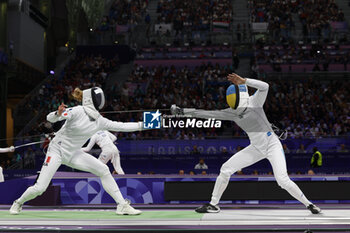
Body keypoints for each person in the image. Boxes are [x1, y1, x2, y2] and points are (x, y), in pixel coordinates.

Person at [171, 73, 321, 214]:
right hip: (256, 148)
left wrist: (245, 81)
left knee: (282, 180)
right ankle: (213, 204)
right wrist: (183, 111)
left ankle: (309, 204)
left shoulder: (254, 101)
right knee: (226, 169)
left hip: (272, 145)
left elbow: (265, 86)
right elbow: (206, 113)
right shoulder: (231, 112)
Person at [10, 87, 147, 215]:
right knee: (40, 188)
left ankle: (122, 205)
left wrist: (147, 124)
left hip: (74, 153)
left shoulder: (100, 121)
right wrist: (57, 114)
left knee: (103, 170)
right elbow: (49, 118)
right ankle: (18, 202)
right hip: (56, 151)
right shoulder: (77, 111)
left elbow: (123, 126)